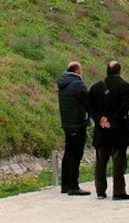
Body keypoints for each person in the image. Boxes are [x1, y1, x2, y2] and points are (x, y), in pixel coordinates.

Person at [88, 61, 129, 200]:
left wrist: (100, 119)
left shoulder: (96, 87)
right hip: (118, 129)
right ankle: (119, 191)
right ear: (119, 71)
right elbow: (124, 107)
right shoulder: (124, 86)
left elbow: (89, 107)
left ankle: (100, 190)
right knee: (118, 160)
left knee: (101, 160)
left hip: (101, 129)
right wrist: (111, 121)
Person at [56, 61, 91, 195]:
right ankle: (73, 186)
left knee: (68, 153)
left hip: (67, 123)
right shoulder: (77, 84)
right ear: (77, 71)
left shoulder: (63, 84)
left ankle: (65, 185)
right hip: (77, 123)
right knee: (76, 154)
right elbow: (88, 100)